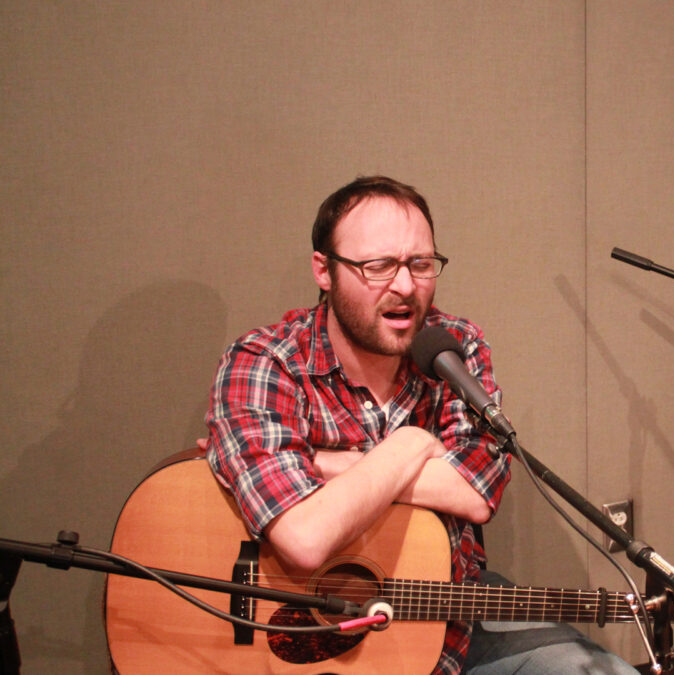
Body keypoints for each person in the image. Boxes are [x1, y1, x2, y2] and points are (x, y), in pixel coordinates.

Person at [205, 176, 639, 675]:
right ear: (324, 270)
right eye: (378, 266)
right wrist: (411, 444)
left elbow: (475, 493)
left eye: (421, 264)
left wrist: (322, 464)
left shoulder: (454, 347)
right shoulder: (265, 363)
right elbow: (304, 540)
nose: (406, 286)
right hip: (312, 643)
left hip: (450, 620)